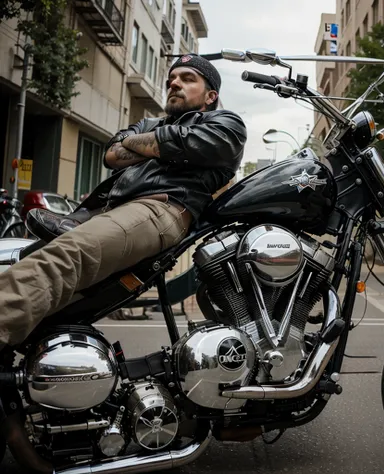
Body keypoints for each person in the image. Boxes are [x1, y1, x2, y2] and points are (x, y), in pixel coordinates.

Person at [0, 54, 247, 353]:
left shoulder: (225, 122)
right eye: (172, 79)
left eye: (187, 78)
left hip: (161, 208)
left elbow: (161, 143)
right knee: (22, 260)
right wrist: (159, 142)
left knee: (66, 257)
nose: (174, 83)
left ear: (211, 96)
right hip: (106, 211)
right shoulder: (152, 122)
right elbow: (112, 154)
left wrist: (143, 141)